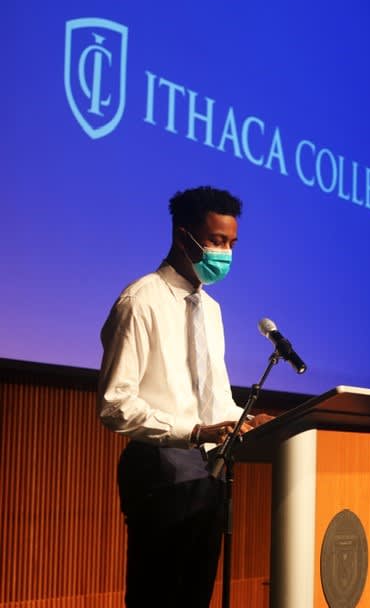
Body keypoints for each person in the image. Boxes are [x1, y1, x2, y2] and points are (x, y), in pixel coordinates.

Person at [97, 186, 271, 608]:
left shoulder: (211, 310)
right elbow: (115, 403)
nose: (225, 253)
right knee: (157, 597)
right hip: (158, 469)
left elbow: (212, 401)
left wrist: (244, 421)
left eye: (231, 243)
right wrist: (193, 431)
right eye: (215, 241)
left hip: (208, 472)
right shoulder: (141, 301)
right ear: (182, 237)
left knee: (195, 597)